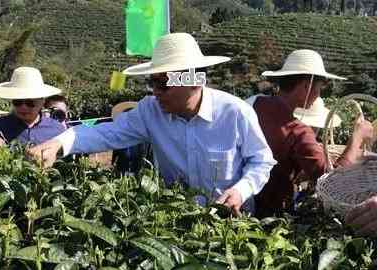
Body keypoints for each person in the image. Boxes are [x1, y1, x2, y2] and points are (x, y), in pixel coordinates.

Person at [27, 33, 276, 216]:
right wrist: (60, 141)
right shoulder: (150, 111)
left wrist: (241, 191)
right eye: (152, 83)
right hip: (178, 221)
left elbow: (261, 161)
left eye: (162, 84)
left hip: (232, 223)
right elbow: (108, 133)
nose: (155, 92)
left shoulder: (235, 113)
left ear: (193, 81)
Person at [249, 49, 373, 217]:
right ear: (307, 86)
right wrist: (357, 137)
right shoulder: (298, 132)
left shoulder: (253, 103)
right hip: (267, 215)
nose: (318, 95)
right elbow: (334, 183)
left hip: (238, 199)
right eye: (319, 89)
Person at [0, 67, 66, 149]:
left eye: (30, 103)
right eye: (18, 102)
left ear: (42, 101)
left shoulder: (56, 129)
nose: (23, 107)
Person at [110, 101, 152, 175]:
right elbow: (115, 157)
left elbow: (150, 159)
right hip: (121, 175)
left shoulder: (147, 138)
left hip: (140, 176)